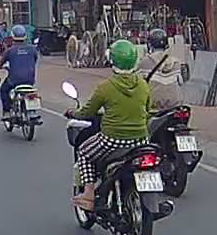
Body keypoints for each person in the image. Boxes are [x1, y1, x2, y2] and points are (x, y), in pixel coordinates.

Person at [64, 39, 152, 211]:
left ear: (112, 60)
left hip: (112, 140)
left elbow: (87, 113)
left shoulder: (105, 87)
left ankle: (88, 194)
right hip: (141, 140)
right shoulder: (143, 85)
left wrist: (73, 113)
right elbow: (147, 110)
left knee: (84, 152)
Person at [0, 24, 38, 121]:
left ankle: (7, 111)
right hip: (29, 80)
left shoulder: (10, 51)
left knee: (3, 90)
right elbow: (34, 60)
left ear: (12, 36)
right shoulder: (32, 49)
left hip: (14, 80)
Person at [139, 28, 183, 110]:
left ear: (150, 44)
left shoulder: (144, 62)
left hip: (154, 106)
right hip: (175, 105)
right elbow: (181, 82)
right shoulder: (176, 63)